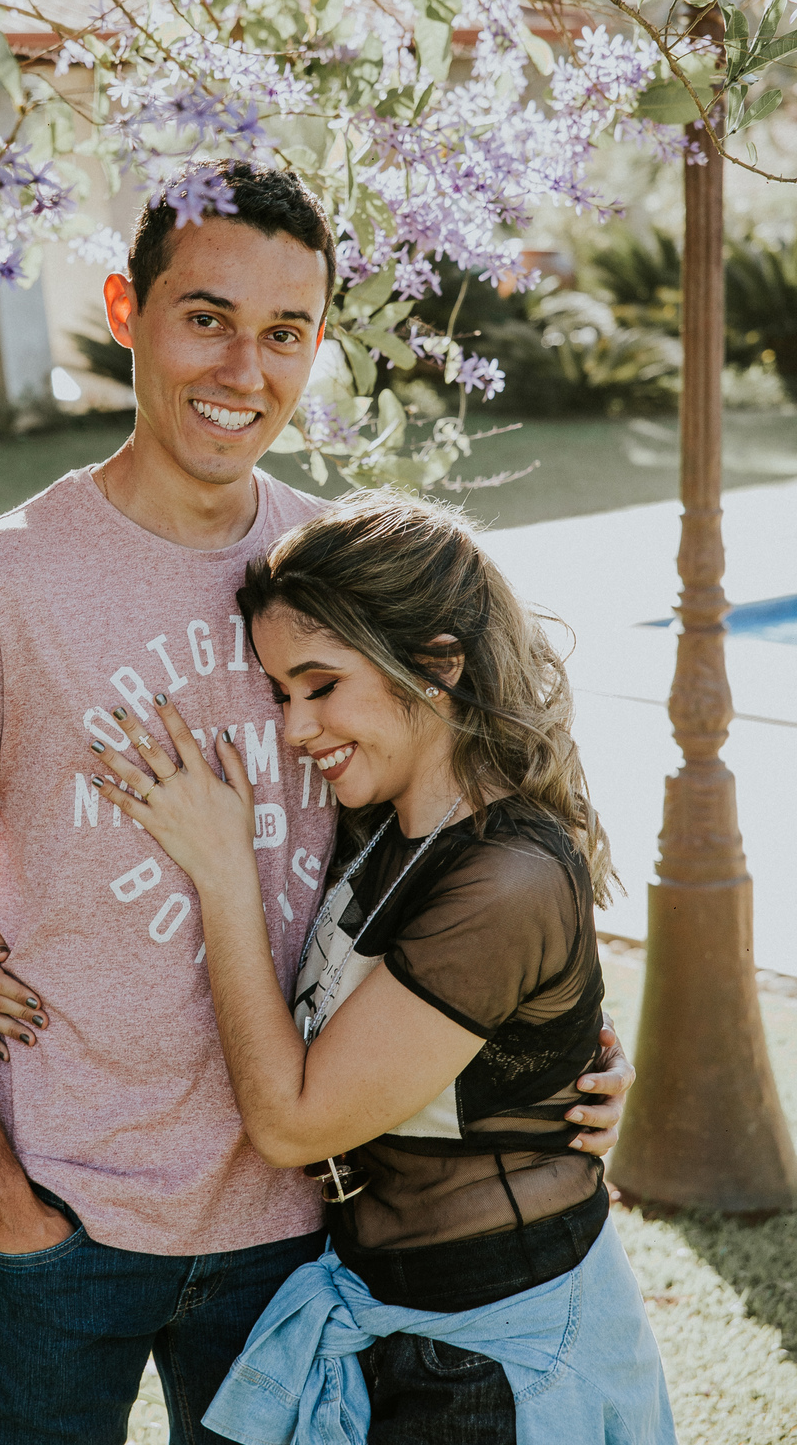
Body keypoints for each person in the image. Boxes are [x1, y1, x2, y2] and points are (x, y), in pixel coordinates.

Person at [0, 161, 634, 1445]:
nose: (243, 369)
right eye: (206, 317)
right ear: (126, 310)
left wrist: (574, 1050)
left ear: (318, 346)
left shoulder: (329, 568)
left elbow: (472, 840)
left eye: (285, 334)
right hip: (65, 1214)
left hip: (309, 1233)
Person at [83, 491, 671, 1443]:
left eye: (321, 687)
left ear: (436, 666)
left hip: (497, 1344)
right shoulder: (379, 827)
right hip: (382, 1311)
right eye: (280, 693)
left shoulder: (505, 876)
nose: (294, 728)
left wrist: (224, 872)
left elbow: (291, 1123)